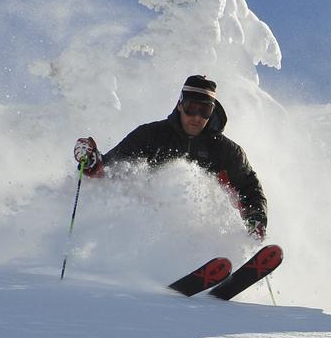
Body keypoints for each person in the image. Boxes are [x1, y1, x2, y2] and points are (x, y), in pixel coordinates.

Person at [73, 75, 268, 239]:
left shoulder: (226, 151)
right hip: (148, 224)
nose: (197, 117)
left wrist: (256, 216)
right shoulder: (151, 135)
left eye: (205, 110)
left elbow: (248, 185)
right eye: (192, 107)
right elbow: (109, 168)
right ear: (180, 105)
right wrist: (91, 161)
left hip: (200, 229)